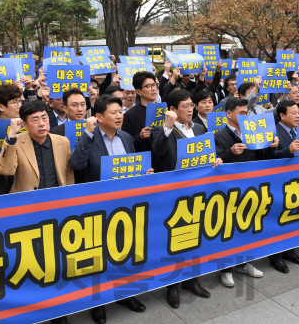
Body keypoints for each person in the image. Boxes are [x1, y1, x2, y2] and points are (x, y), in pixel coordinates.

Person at [68, 94, 150, 323]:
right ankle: (99, 302)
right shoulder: (89, 137)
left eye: (120, 111)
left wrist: (143, 174)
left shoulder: (125, 137)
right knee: (99, 255)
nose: (119, 116)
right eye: (113, 112)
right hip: (98, 207)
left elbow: (131, 165)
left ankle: (125, 293)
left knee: (124, 252)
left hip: (125, 206)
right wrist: (87, 134)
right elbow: (76, 164)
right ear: (98, 116)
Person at [150, 89, 221, 308]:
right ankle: (172, 286)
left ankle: (192, 279)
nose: (190, 110)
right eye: (185, 106)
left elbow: (207, 154)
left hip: (198, 191)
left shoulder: (200, 128)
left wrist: (215, 162)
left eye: (192, 105)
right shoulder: (161, 131)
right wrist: (168, 127)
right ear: (172, 110)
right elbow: (157, 152)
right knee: (176, 240)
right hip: (174, 194)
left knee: (196, 236)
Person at [214, 96, 282, 287]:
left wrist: (270, 146)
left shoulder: (253, 131)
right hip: (229, 191)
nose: (245, 116)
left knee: (248, 226)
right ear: (229, 114)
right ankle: (225, 268)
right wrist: (230, 153)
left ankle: (244, 262)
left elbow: (262, 157)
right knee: (228, 229)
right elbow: (214, 163)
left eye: (247, 113)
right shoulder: (219, 136)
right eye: (241, 113)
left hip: (251, 187)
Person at [271, 99, 299, 273]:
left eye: (298, 113)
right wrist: (288, 150)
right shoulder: (273, 131)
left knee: (295, 217)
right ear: (282, 115)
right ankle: (276, 257)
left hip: (298, 181)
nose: (297, 116)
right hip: (280, 184)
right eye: (293, 113)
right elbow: (268, 157)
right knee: (279, 220)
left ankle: (291, 251)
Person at [0, 101, 74, 193]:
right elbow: (6, 171)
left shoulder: (62, 142)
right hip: (27, 202)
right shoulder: (15, 142)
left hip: (57, 199)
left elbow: (68, 175)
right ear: (24, 124)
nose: (41, 124)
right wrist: (11, 134)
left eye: (44, 118)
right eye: (35, 120)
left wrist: (70, 195)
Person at [121, 71, 159, 153]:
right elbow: (125, 143)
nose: (153, 89)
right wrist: (140, 137)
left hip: (164, 161)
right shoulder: (130, 115)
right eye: (148, 86)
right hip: (145, 161)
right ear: (138, 91)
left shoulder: (163, 110)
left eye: (154, 85)